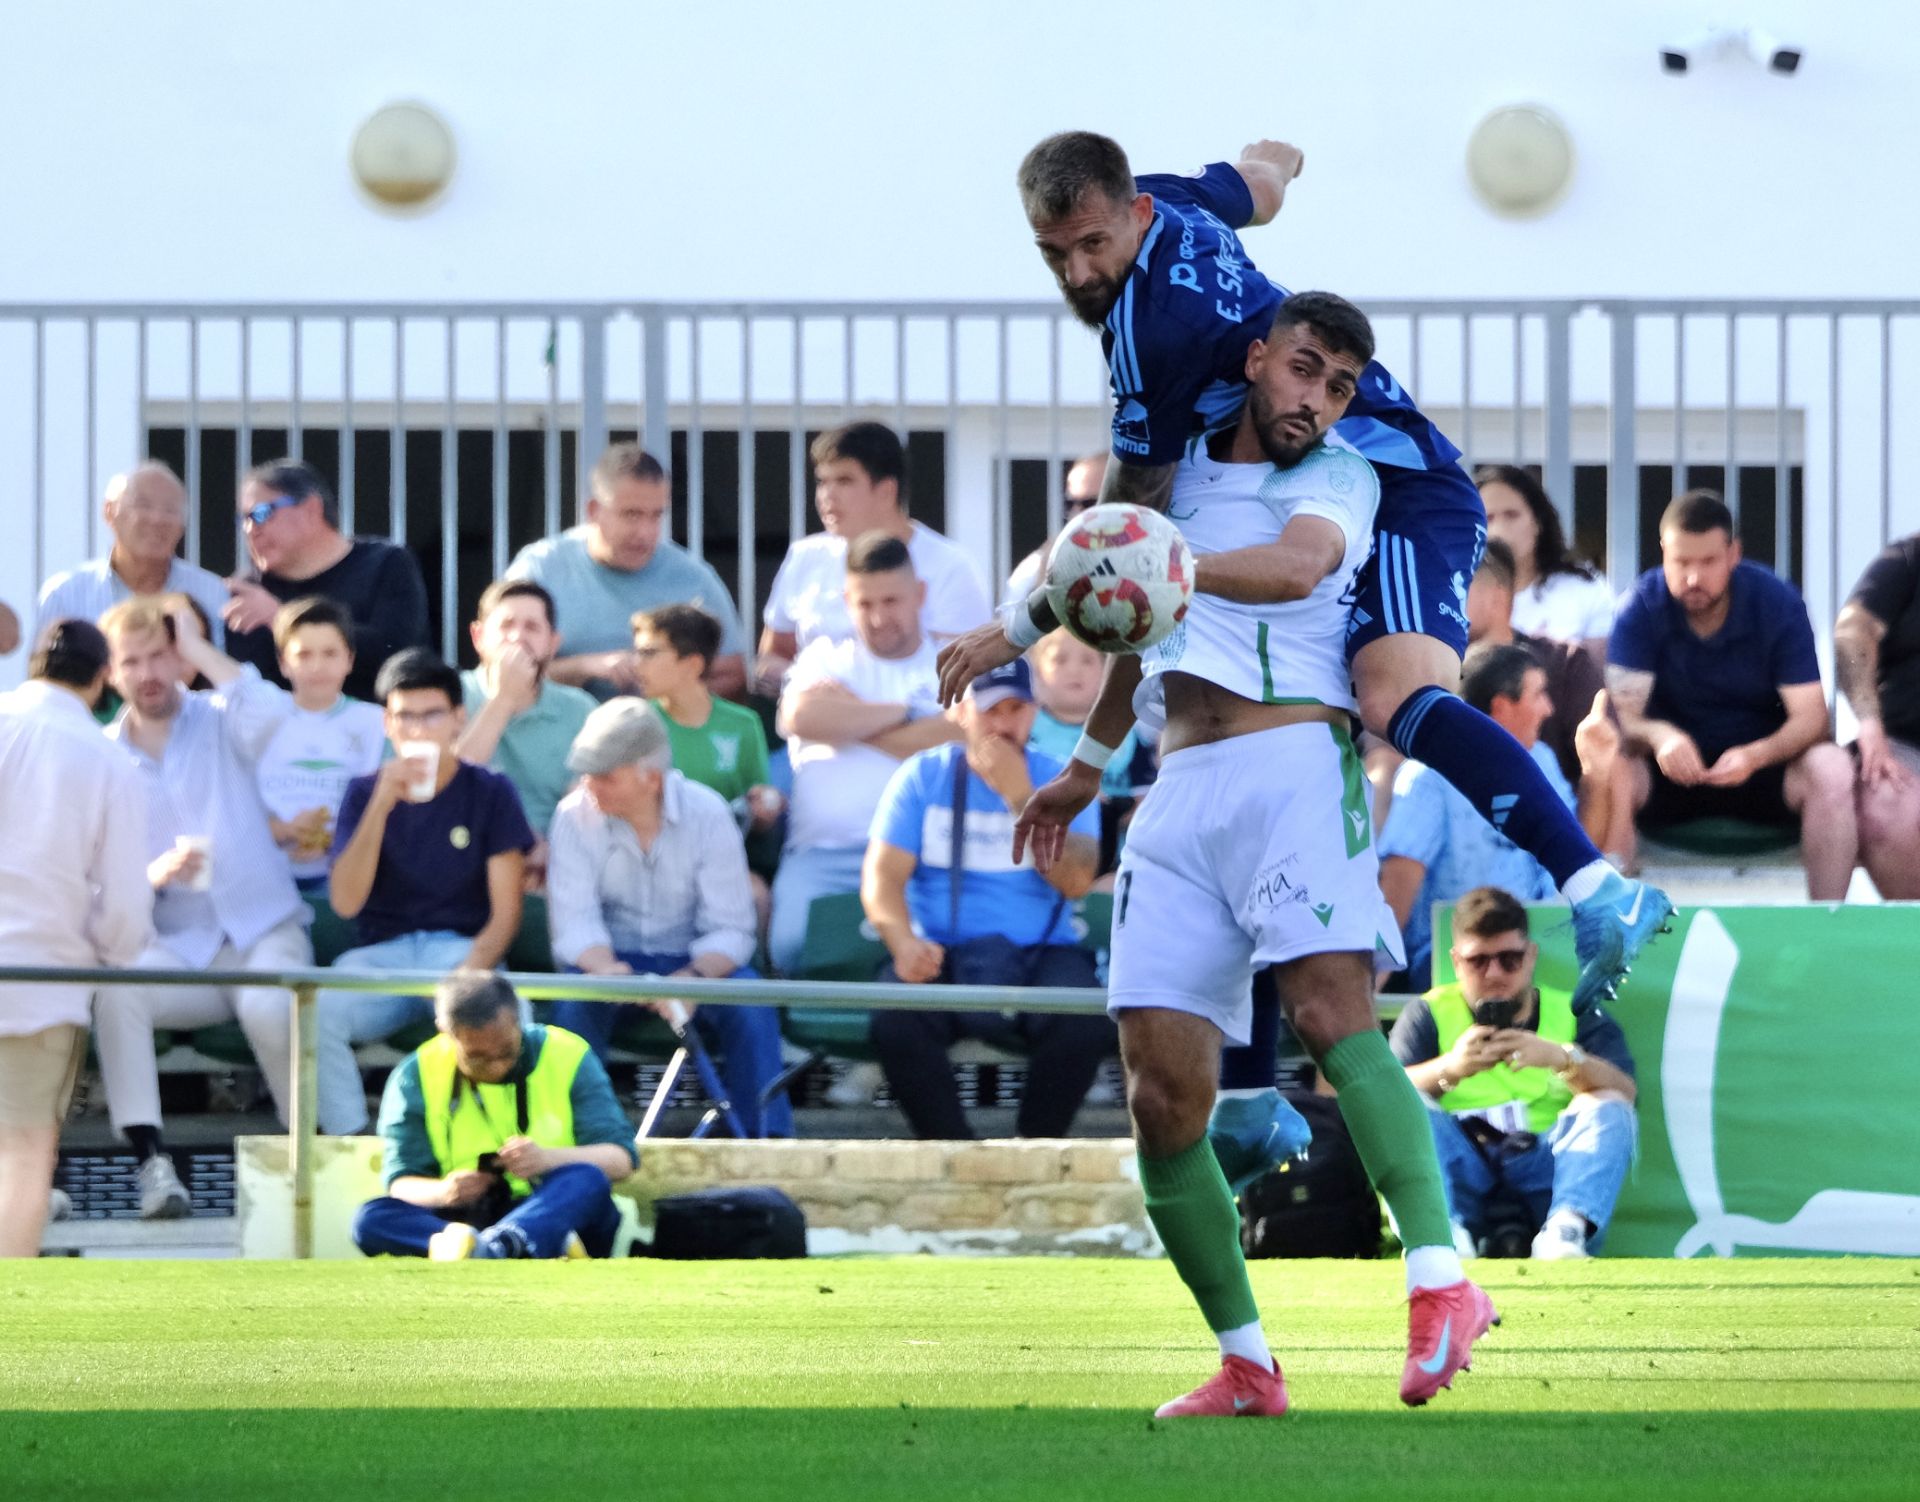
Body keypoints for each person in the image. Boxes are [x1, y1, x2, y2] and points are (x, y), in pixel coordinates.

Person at [937, 129, 1669, 1011]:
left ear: (1132, 215)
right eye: (1057, 254)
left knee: (1391, 700)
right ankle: (1249, 1095)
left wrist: (1014, 626)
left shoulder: (1148, 338)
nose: (1082, 273)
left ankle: (1597, 890)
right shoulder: (1176, 199)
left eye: (1095, 246)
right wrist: (1279, 157)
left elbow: (1128, 544)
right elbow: (1261, 184)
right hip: (1242, 680)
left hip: (1406, 491)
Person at [1013, 293, 1494, 1416]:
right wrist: (1087, 763)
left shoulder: (1335, 479)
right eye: (1304, 371)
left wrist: (1146, 554)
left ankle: (1441, 1278)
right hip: (1176, 788)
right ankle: (1246, 1362)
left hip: (1293, 768)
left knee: (1335, 1019)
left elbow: (1289, 569)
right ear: (1257, 357)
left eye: (1338, 388)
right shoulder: (1171, 475)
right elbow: (1140, 626)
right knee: (1161, 1096)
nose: (1315, 400)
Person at [96, 597, 313, 1218]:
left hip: (261, 933)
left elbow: (274, 709)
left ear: (182, 658)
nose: (148, 672)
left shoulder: (222, 715)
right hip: (181, 948)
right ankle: (150, 1165)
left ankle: (306, 1161)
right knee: (117, 991)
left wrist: (196, 645)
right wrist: (151, 876)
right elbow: (100, 886)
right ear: (111, 674)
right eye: (131, 661)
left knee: (271, 1004)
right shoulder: (103, 756)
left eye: (160, 654)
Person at [863, 659, 1113, 1139]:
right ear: (961, 713)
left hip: (1042, 951)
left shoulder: (1063, 779)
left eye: (1016, 709)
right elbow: (881, 879)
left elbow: (1078, 880)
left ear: (1035, 712)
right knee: (895, 1017)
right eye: (990, 711)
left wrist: (1021, 797)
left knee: (1083, 1020)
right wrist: (902, 942)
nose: (1003, 724)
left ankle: (1033, 1152)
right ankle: (952, 1152)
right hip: (943, 949)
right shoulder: (921, 777)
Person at [546, 698, 790, 1137]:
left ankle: (766, 1147)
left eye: (604, 775)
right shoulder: (572, 816)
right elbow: (573, 923)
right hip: (609, 966)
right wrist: (609, 972)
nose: (589, 785)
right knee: (572, 1008)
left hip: (697, 968)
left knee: (751, 1004)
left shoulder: (709, 813)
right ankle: (567, 1143)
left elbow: (732, 929)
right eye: (586, 773)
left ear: (651, 777)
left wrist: (692, 979)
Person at [321, 649, 536, 1135]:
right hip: (381, 956)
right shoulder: (363, 792)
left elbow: (505, 917)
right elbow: (344, 903)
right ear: (387, 724)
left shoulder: (490, 791)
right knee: (314, 1011)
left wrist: (463, 979)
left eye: (432, 714)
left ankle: (503, 1143)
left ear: (458, 718)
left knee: (512, 1012)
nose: (418, 730)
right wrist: (380, 804)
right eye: (405, 717)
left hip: (461, 950)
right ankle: (351, 1143)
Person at [1608, 490, 1857, 898]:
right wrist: (1660, 736)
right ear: (1663, 553)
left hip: (1765, 771)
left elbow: (1813, 718)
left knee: (1832, 767)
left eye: (1707, 562)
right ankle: (1615, 925)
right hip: (1668, 775)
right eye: (1681, 562)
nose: (1693, 577)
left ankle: (1827, 925)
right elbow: (1623, 718)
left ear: (1733, 554)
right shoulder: (1640, 605)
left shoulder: (1777, 603)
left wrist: (1755, 755)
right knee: (1609, 761)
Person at [0, 621, 150, 1257]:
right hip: (42, 981)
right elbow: (123, 905)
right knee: (25, 1150)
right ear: (101, 679)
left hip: (41, 975)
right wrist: (112, 958)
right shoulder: (107, 757)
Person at [1390, 887, 1638, 1260]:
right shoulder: (1428, 1012)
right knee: (1402, 1108)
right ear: (1456, 962)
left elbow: (1625, 1094)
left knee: (1609, 1104)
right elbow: (1385, 1097)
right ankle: (1439, 1233)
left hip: (1544, 1162)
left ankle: (1565, 1232)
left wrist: (1563, 1059)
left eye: (1509, 959)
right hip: (1461, 1162)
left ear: (1531, 956)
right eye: (1479, 962)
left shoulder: (1573, 1012)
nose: (1494, 974)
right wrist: (1450, 1069)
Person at [767, 532, 961, 976]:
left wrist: (852, 722)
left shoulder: (951, 664)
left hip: (924, 859)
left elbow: (963, 733)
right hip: (822, 856)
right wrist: (912, 716)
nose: (877, 618)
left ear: (920, 594)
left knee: (938, 959)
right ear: (845, 600)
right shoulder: (824, 658)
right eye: (864, 604)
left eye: (891, 601)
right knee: (791, 948)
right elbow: (801, 716)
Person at [1379, 642, 1619, 991]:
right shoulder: (1429, 776)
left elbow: (1578, 857)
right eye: (1538, 695)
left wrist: (1596, 777)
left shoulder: (1543, 761)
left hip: (1536, 952)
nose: (1548, 709)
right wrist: (1375, 979)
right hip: (1458, 962)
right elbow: (1400, 877)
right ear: (1502, 706)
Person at [352, 973, 636, 1260]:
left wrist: (547, 1159)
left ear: (518, 1020)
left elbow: (621, 1160)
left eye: (506, 1052)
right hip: (462, 1219)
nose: (496, 1066)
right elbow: (401, 1183)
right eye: (478, 1057)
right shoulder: (415, 1075)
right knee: (370, 1218)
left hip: (548, 1207)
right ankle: (482, 1247)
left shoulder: (567, 1053)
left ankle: (498, 1246)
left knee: (587, 1179)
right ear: (445, 1032)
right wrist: (445, 1191)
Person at [755, 422, 991, 692]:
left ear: (887, 491)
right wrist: (812, 687)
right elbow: (771, 657)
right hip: (819, 727)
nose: (826, 495)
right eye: (822, 481)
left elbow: (971, 673)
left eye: (844, 481)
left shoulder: (951, 567)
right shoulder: (804, 557)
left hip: (923, 727)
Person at [505, 443, 748, 699]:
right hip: (558, 731)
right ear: (593, 511)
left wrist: (664, 699)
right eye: (631, 515)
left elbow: (732, 674)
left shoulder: (693, 578)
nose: (644, 533)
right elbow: (502, 668)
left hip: (663, 735)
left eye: (655, 516)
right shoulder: (540, 569)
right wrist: (585, 668)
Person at [222, 459, 430, 702]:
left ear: (311, 509)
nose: (250, 529)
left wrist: (281, 618)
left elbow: (396, 654)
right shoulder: (249, 591)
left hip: (376, 732)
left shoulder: (386, 564)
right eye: (243, 520)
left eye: (261, 514)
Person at [456, 578, 597, 868]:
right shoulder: (448, 695)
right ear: (478, 637)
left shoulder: (579, 710)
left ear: (553, 643)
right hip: (464, 860)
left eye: (532, 627)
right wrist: (503, 699)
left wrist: (552, 852)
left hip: (556, 863)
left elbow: (588, 806)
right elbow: (446, 786)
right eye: (506, 625)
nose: (518, 637)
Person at [254, 598, 386, 890]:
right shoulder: (258, 718)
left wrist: (335, 839)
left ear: (349, 660)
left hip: (345, 874)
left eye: (330, 653)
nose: (317, 666)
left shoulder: (376, 722)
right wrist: (282, 831)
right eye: (303, 655)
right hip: (265, 874)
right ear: (282, 663)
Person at [36, 463, 232, 649]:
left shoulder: (212, 593)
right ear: (109, 512)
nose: (157, 519)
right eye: (143, 505)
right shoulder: (65, 594)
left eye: (170, 510)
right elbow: (43, 679)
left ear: (182, 525)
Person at [631, 604, 782, 836]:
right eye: (637, 653)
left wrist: (765, 806)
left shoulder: (743, 724)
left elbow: (759, 805)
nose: (636, 664)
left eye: (649, 653)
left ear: (693, 664)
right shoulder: (637, 723)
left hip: (724, 852)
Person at [1834, 532, 1920, 898]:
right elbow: (1853, 631)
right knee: (1887, 810)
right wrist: (1868, 721)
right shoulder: (1907, 560)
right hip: (1904, 744)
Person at [1475, 465, 1614, 653]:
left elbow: (1599, 670)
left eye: (1512, 515)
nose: (1499, 530)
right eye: (1488, 519)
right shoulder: (1458, 596)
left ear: (1538, 522)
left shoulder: (1585, 590)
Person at [1003, 452, 1109, 605]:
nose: (1078, 514)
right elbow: (1009, 624)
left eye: (1090, 504)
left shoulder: (1149, 561)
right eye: (1070, 504)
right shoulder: (1036, 567)